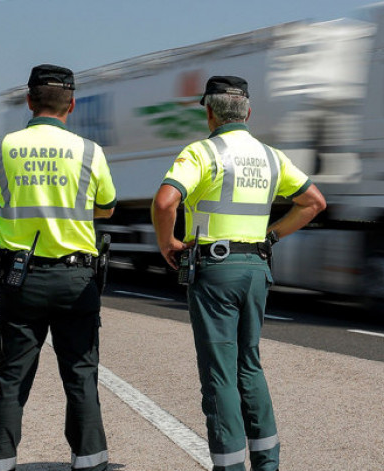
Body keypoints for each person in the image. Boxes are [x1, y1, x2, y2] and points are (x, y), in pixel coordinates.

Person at [151, 75, 326, 471]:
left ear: (209, 113)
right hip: (256, 267)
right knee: (250, 364)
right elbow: (314, 202)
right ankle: (267, 462)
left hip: (215, 270)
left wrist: (168, 244)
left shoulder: (201, 153)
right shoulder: (271, 157)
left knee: (219, 371)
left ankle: (229, 465)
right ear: (248, 112)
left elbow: (165, 203)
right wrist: (271, 235)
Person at [0, 64, 117, 471]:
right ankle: (89, 462)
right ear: (71, 105)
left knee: (11, 378)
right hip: (76, 280)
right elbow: (107, 208)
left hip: (20, 280)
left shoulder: (0, 147)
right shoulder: (90, 151)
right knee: (80, 375)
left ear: (29, 101)